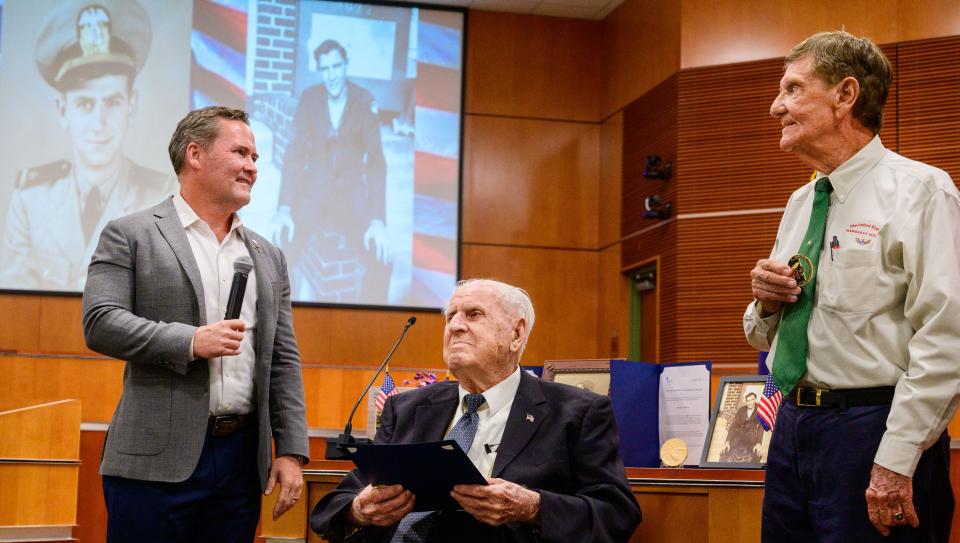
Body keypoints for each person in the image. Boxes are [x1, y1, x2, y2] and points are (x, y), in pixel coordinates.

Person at [744, 31, 960, 541]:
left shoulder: (923, 191)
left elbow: (947, 337)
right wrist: (766, 303)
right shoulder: (801, 202)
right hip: (791, 427)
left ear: (845, 95)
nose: (777, 106)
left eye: (794, 89)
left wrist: (896, 459)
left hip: (874, 428)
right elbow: (759, 336)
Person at [82, 106, 310, 542]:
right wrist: (190, 341)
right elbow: (101, 322)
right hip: (154, 462)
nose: (251, 167)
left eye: (256, 158)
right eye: (241, 152)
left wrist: (292, 451)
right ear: (195, 155)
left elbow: (282, 359)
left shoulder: (267, 254)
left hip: (241, 462)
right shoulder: (131, 234)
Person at [310, 278, 641, 542]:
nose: (454, 326)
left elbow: (617, 514)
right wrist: (359, 510)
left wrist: (532, 507)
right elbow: (332, 507)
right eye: (450, 316)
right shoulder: (408, 407)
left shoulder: (576, 412)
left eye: (473, 315)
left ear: (516, 333)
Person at [0, 0, 176, 291]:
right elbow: (16, 305)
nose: (99, 123)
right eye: (84, 104)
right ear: (62, 110)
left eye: (112, 102)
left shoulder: (161, 199)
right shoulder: (31, 200)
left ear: (131, 104)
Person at [274, 38, 392, 303]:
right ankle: (281, 327)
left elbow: (376, 162)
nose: (332, 75)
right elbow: (294, 155)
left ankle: (374, 332)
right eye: (326, 68)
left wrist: (377, 220)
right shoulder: (310, 98)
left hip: (350, 198)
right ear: (320, 70)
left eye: (337, 66)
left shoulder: (364, 101)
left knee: (381, 257)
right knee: (280, 250)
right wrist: (283, 208)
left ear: (346, 65)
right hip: (312, 194)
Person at [720, 392, 763, 463]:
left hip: (751, 437)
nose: (750, 402)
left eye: (752, 400)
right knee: (724, 452)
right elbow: (733, 426)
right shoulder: (741, 410)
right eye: (748, 400)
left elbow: (760, 428)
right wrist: (727, 442)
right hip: (739, 435)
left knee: (757, 454)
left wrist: (759, 443)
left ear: (755, 400)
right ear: (746, 401)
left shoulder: (759, 411)